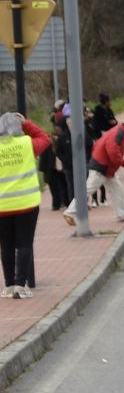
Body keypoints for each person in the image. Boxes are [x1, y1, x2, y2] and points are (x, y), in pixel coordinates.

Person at [0, 112, 51, 296]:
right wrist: (25, 122)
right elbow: (45, 138)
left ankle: (9, 285)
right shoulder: (27, 144)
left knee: (5, 245)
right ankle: (21, 286)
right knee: (24, 243)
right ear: (18, 127)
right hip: (26, 203)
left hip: (2, 206)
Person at [75, 115, 124, 224]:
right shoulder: (119, 134)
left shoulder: (121, 132)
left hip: (105, 167)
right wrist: (122, 162)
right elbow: (113, 151)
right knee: (89, 189)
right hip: (101, 166)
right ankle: (70, 212)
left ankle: (121, 214)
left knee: (116, 188)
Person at [42, 104, 71, 213]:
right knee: (58, 184)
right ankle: (59, 203)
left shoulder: (59, 137)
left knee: (61, 184)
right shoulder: (55, 137)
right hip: (54, 165)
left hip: (58, 165)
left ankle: (62, 202)